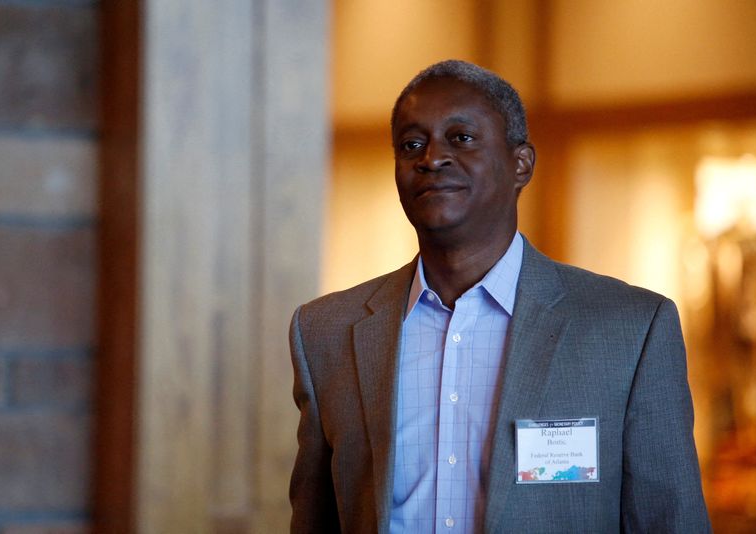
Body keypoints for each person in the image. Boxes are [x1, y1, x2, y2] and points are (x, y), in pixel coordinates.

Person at [289, 59, 711, 533]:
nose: (431, 157)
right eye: (412, 144)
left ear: (521, 164)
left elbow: (669, 522)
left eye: (461, 138)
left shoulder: (630, 330)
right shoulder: (325, 332)